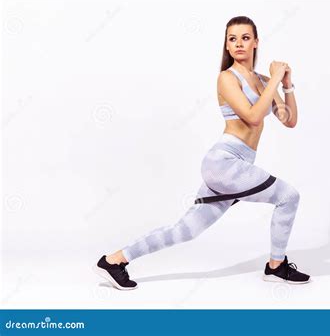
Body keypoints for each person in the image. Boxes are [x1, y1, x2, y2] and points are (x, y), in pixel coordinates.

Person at [93, 16, 311, 290]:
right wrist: (276, 80)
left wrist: (286, 85)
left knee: (186, 230)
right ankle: (276, 266)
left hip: (234, 166)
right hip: (226, 162)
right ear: (227, 47)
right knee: (288, 197)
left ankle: (114, 261)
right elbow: (254, 117)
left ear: (256, 42)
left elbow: (288, 119)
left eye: (245, 37)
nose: (239, 43)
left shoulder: (264, 81)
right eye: (232, 39)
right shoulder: (227, 79)